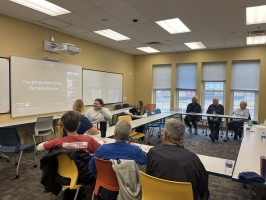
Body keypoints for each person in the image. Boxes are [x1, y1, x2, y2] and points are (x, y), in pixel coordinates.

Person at [146, 118, 209, 200]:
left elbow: (149, 177)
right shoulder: (192, 158)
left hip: (158, 196)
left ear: (165, 134)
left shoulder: (153, 152)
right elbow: (202, 187)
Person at [89, 120, 147, 200]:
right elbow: (146, 159)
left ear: (115, 133)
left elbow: (91, 168)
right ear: (129, 135)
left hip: (106, 187)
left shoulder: (102, 149)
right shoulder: (136, 150)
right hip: (129, 187)